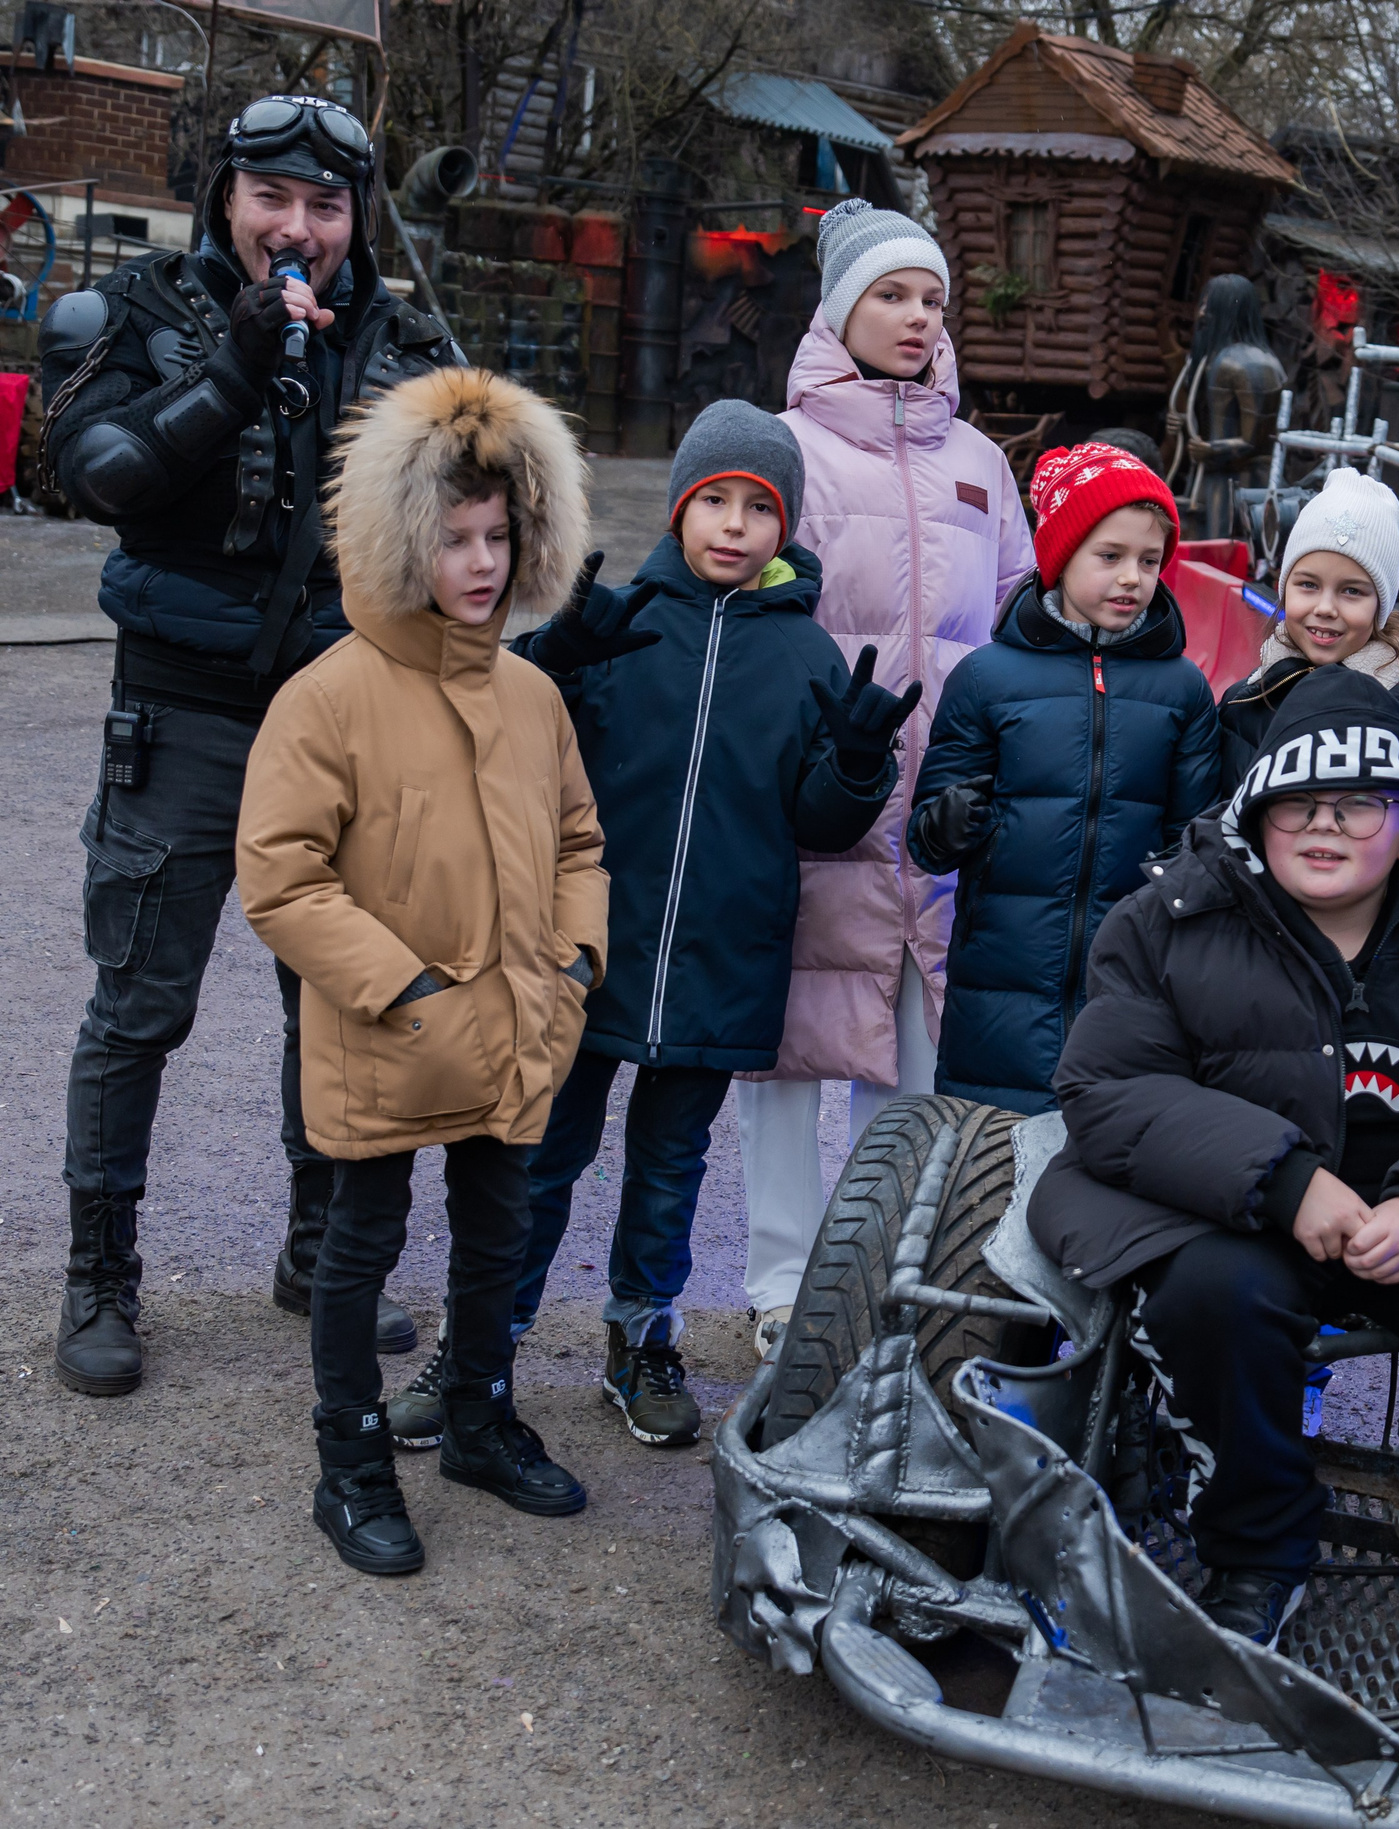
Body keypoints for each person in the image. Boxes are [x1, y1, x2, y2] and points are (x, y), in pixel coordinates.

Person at [383, 403, 923, 1451]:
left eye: (758, 508)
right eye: (712, 501)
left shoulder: (808, 657)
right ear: (679, 509)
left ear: (786, 526)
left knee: (670, 1166)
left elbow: (818, 822)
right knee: (539, 1153)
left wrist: (856, 762)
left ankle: (641, 1335)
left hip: (725, 958)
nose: (732, 525)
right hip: (586, 951)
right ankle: (480, 1343)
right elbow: (509, 742)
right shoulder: (619, 618)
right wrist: (555, 658)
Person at [1029, 667, 1399, 1648]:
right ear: (1258, 811)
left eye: (1355, 805)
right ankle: (1258, 1543)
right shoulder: (1167, 920)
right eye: (1298, 803)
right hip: (1234, 1207)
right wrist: (1284, 1180)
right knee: (1212, 1294)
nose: (1322, 826)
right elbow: (1110, 1088)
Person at [40, 94, 460, 1395]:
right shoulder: (150, 312)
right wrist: (234, 367)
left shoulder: (402, 340)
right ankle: (100, 1277)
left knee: (336, 999)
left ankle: (316, 1244)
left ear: (355, 219)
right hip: (181, 711)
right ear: (227, 195)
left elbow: (465, 538)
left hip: (341, 723)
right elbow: (90, 472)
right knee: (141, 1005)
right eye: (271, 196)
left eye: (324, 205)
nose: (297, 227)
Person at [234, 368, 604, 1576]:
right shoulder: (328, 696)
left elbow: (575, 841)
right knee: (360, 1245)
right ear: (404, 538)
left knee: (498, 1236)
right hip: (391, 1032)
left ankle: (479, 1418)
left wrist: (576, 958)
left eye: (500, 535)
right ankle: (348, 1462)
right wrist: (404, 985)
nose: (481, 560)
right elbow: (282, 876)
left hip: (514, 1025)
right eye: (454, 537)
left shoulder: (533, 692)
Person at [744, 199, 1034, 1356]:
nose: (917, 317)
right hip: (818, 798)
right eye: (893, 295)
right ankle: (775, 1286)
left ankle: (877, 1282)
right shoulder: (787, 446)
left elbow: (1015, 617)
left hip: (935, 810)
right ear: (840, 307)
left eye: (931, 299)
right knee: (789, 1048)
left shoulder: (981, 460)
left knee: (912, 1048)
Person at [905, 443, 1219, 1114]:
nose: (1132, 577)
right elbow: (928, 840)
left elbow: (1194, 838)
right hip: (998, 986)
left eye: (1149, 560)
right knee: (985, 1174)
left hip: (1129, 988)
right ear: (1060, 553)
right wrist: (949, 820)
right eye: (1109, 555)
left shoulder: (1183, 690)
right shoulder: (987, 679)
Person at [1215, 465, 1399, 795]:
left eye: (1352, 591)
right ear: (1284, 587)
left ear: (1381, 606)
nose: (1326, 608)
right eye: (1308, 584)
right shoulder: (1244, 702)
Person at [1162, 274, 1287, 542]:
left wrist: (1212, 449)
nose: (1202, 312)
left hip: (1243, 483)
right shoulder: (1211, 359)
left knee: (1229, 546)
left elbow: (1257, 438)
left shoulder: (1249, 364)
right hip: (1210, 479)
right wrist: (1183, 422)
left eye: (1211, 304)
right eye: (1203, 303)